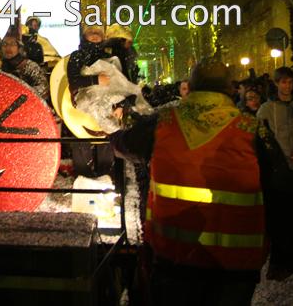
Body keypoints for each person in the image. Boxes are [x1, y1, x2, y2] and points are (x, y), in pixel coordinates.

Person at [110, 60, 272, 305]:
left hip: (174, 260)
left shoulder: (163, 123)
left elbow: (125, 143)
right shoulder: (253, 129)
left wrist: (112, 134)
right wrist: (284, 254)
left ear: (191, 87)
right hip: (236, 266)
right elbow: (281, 188)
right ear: (231, 89)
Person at [256, 66, 293, 279]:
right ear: (276, 83)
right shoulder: (267, 109)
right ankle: (278, 262)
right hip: (277, 171)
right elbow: (262, 137)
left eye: (290, 82)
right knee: (278, 219)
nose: (287, 86)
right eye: (283, 82)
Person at [0, 35, 48, 100]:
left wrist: (22, 94)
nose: (8, 47)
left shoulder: (30, 66)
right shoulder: (1, 68)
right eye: (4, 44)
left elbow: (44, 87)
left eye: (12, 44)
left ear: (20, 48)